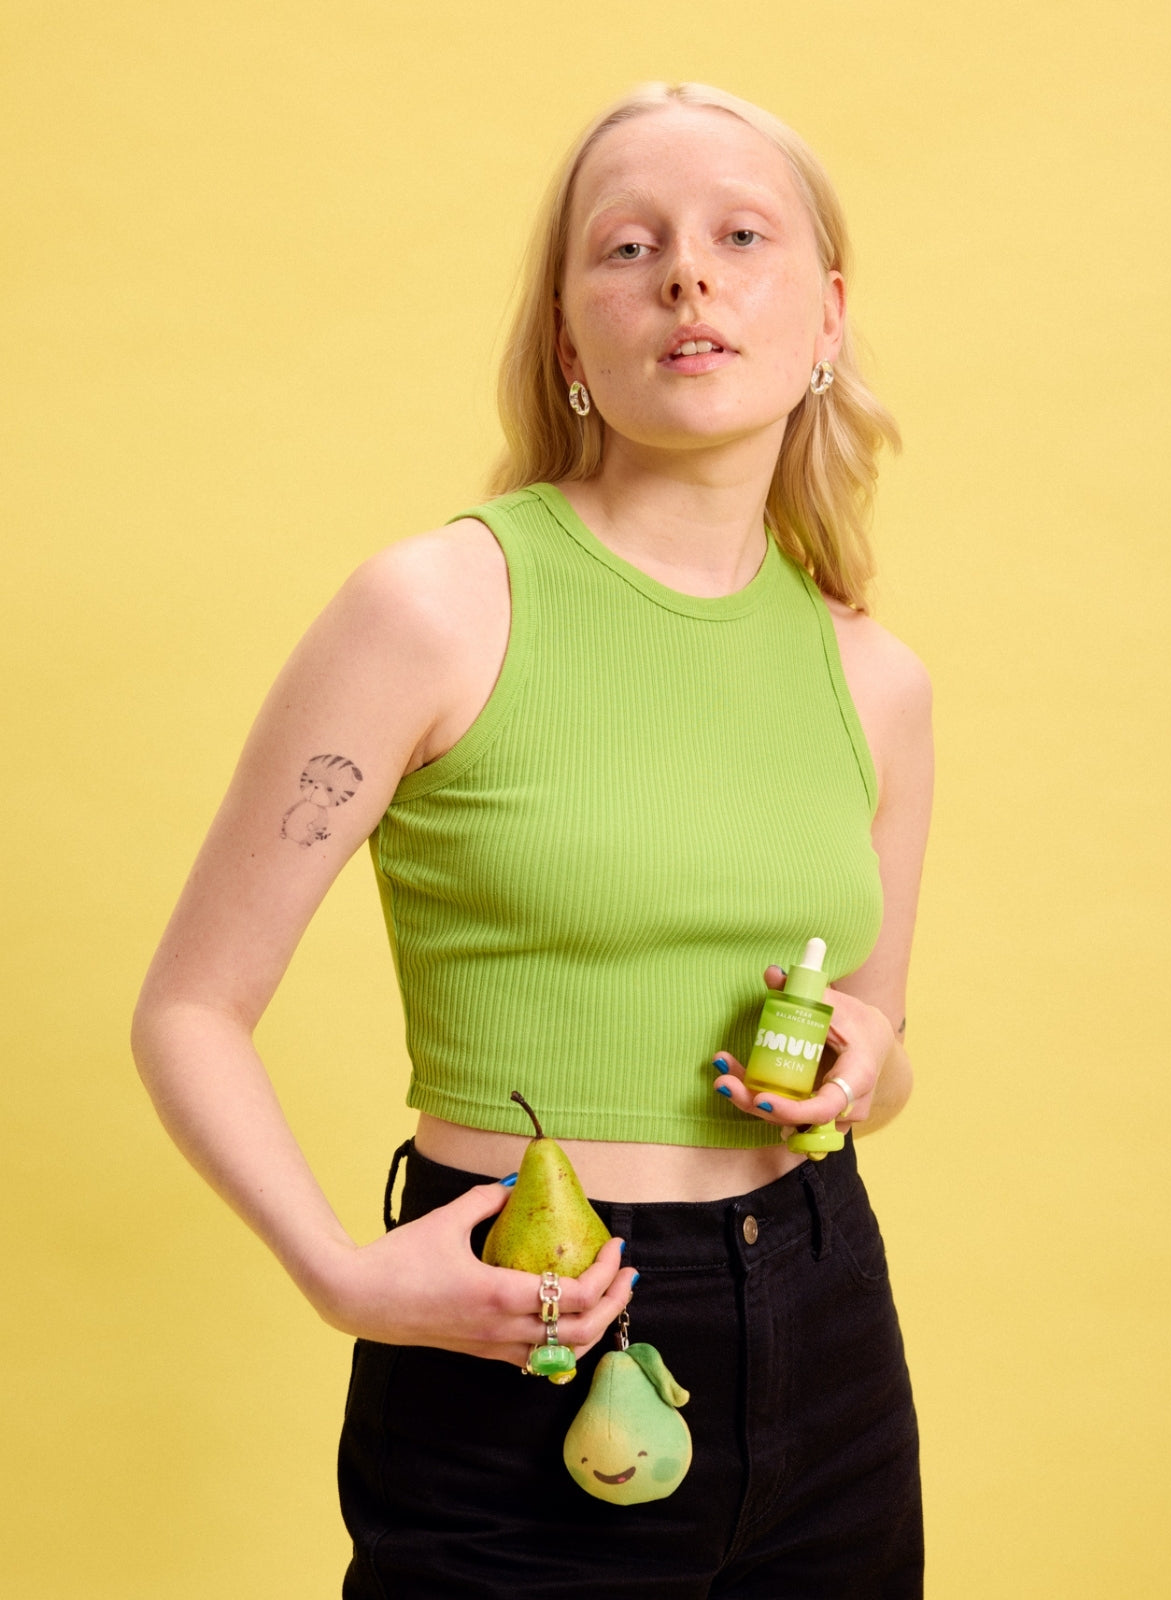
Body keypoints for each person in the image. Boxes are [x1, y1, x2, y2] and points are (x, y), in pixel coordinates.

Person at [133, 80, 933, 1599]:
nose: (688, 273)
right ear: (571, 340)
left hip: (827, 1325)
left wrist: (862, 1058)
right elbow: (188, 1007)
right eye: (628, 246)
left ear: (825, 317)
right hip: (523, 1317)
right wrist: (340, 1273)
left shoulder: (876, 681)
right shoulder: (433, 610)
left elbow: (880, 1051)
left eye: (740, 234)